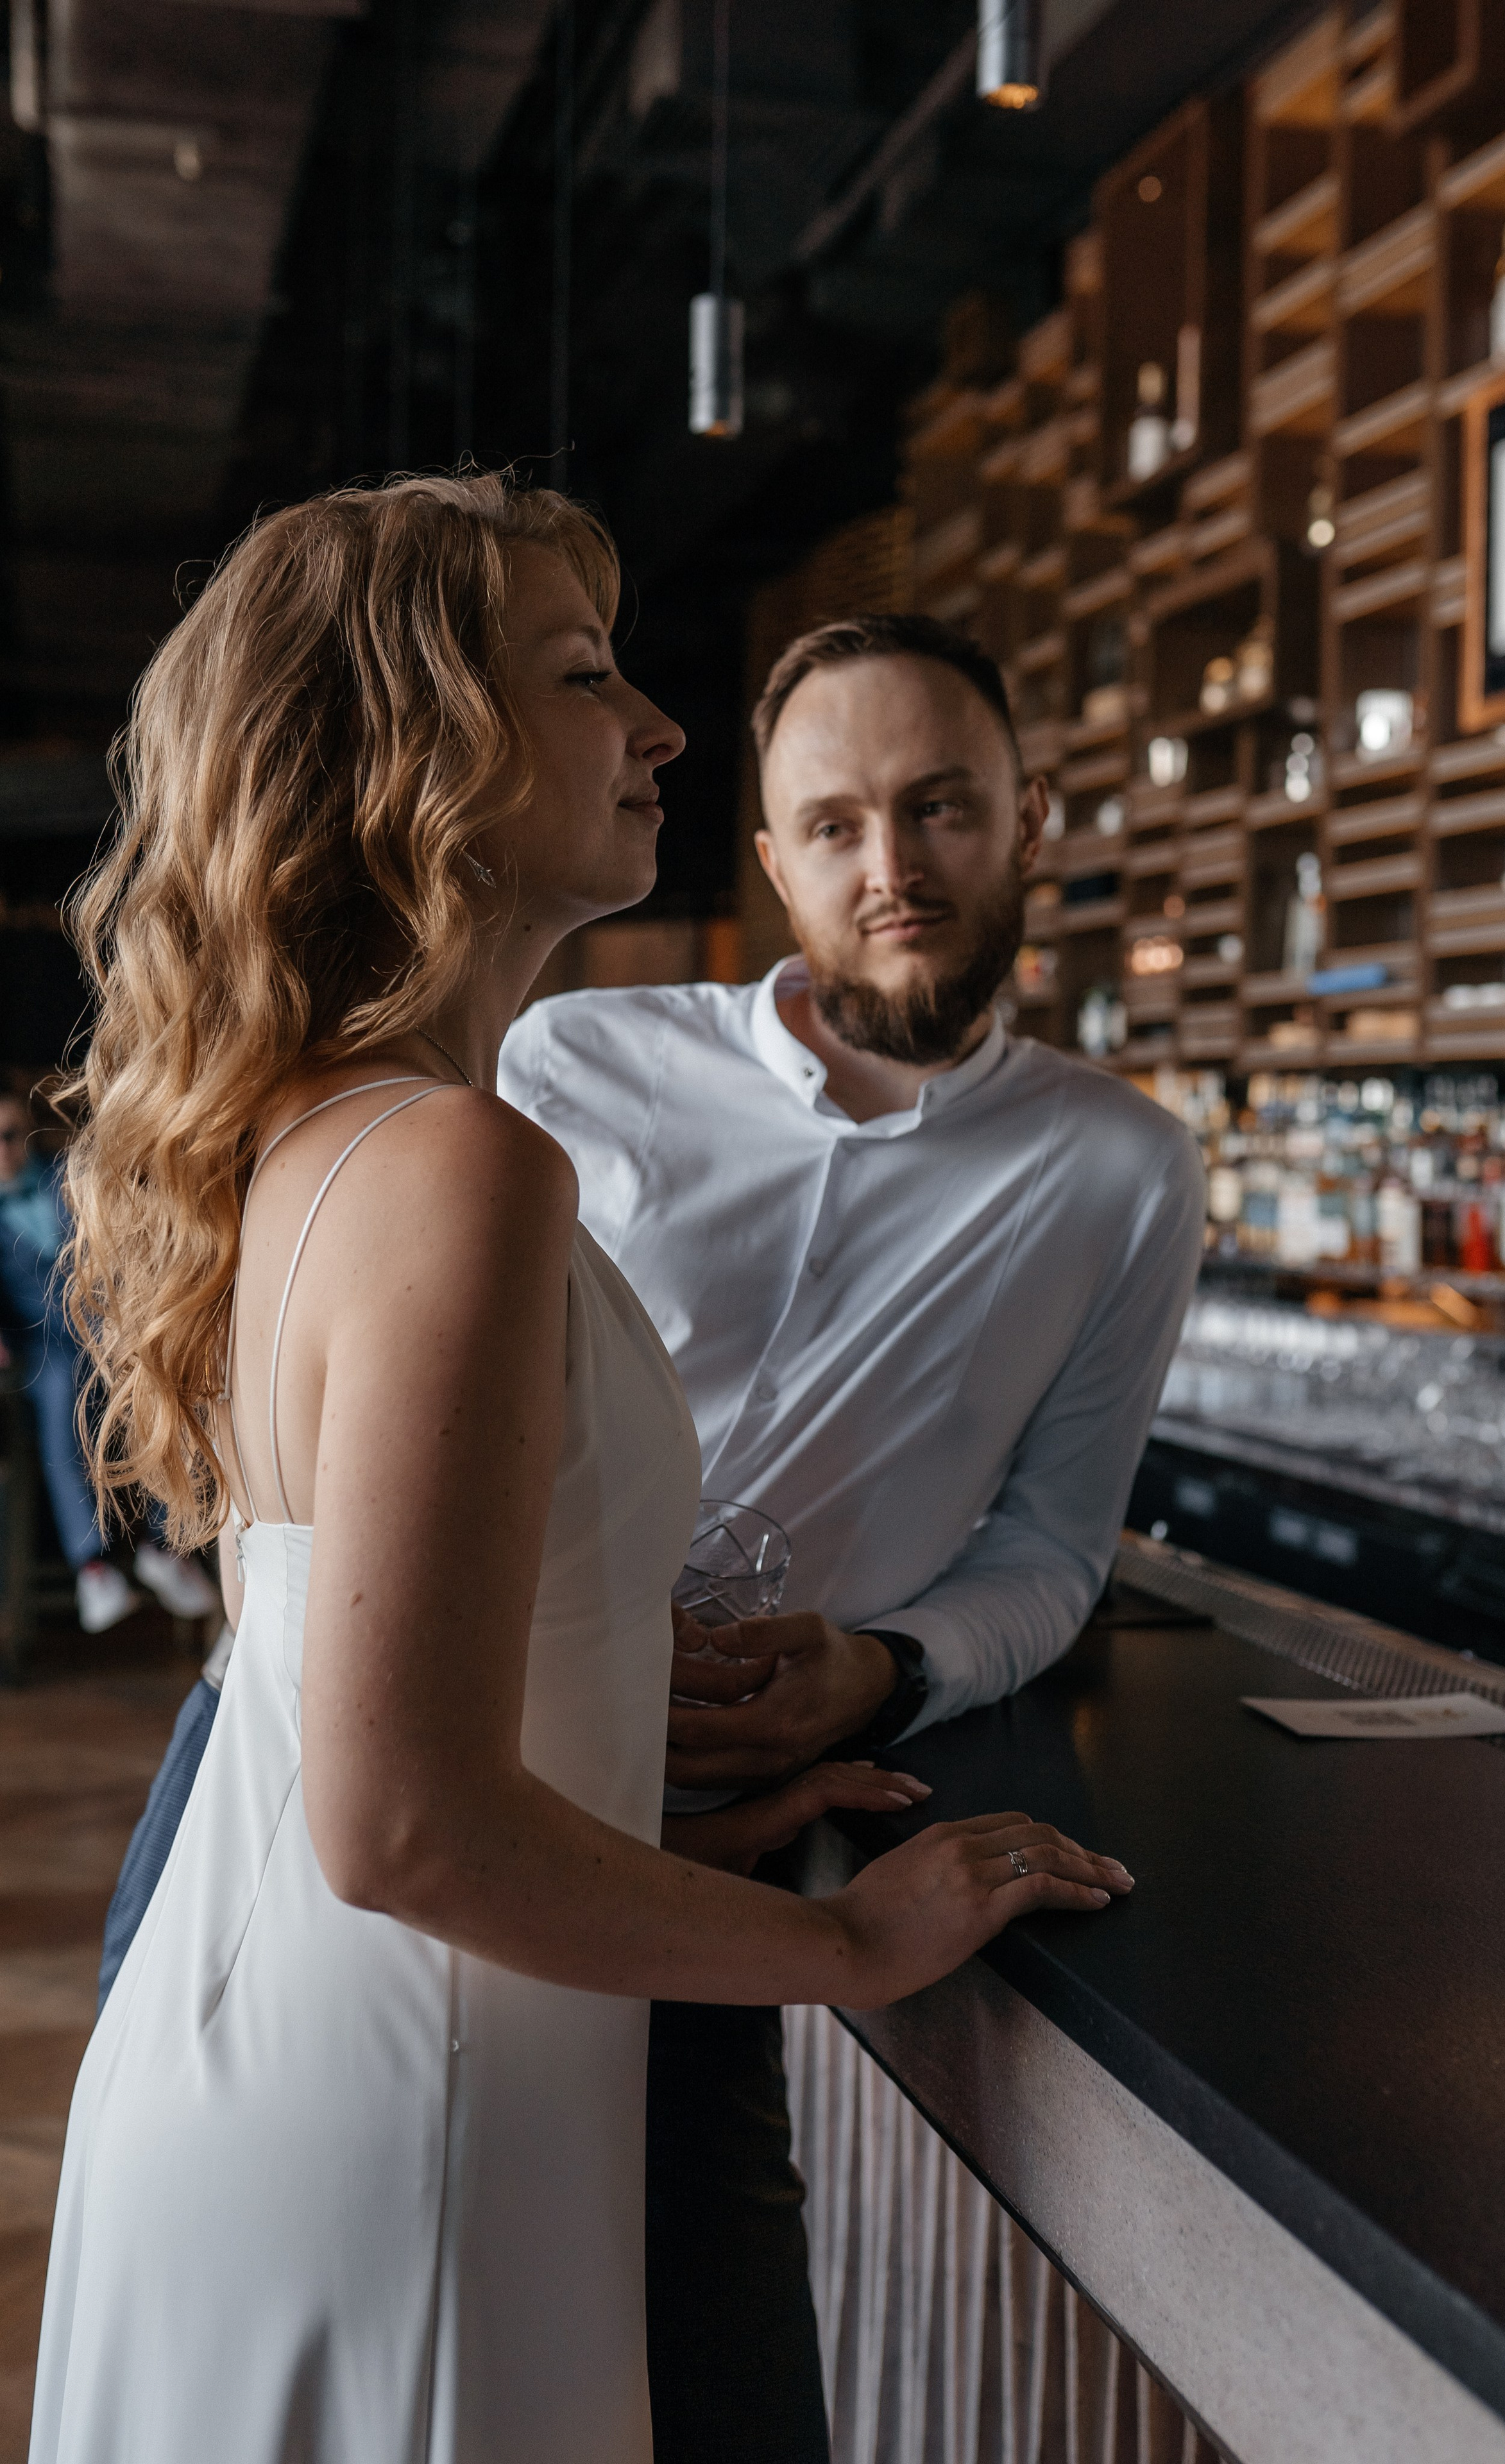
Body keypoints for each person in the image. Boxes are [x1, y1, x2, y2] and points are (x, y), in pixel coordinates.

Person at [31, 475, 1127, 2464]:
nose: (660, 728)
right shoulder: (463, 1163)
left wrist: (689, 1839)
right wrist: (843, 1940)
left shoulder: (329, 1130)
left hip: (310, 2039)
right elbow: (402, 1822)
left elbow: (362, 1735)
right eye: (584, 674)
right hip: (407, 2105)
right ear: (414, 752)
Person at [499, 611, 1205, 2463]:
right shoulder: (571, 1067)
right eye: (834, 824)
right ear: (771, 855)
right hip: (456, 1787)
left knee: (720, 2407)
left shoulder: (1123, 1167)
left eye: (940, 807)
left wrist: (884, 1671)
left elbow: (1057, 1550)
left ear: (1032, 815)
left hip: (708, 1870)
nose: (889, 871)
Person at [0, 1089, 217, 1633]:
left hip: (104, 1321)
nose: (3, 1151)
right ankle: (92, 1565)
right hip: (40, 1342)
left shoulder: (70, 1178)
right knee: (58, 1393)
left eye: (10, 1136)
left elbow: (122, 1241)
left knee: (155, 1369)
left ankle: (165, 1542)